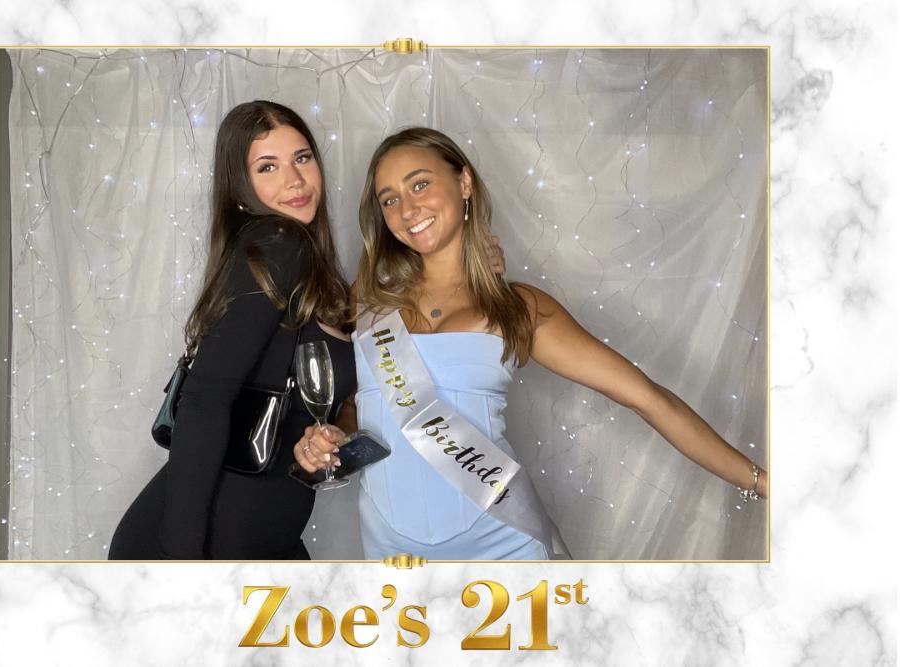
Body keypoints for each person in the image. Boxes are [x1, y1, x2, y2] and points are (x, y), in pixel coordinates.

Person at [295, 127, 768, 560]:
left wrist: (761, 482)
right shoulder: (367, 301)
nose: (407, 210)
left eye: (420, 184)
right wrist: (334, 435)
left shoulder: (518, 309)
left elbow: (648, 398)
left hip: (502, 544)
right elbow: (358, 403)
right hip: (393, 552)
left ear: (464, 182)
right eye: (389, 199)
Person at [109, 101, 355, 559]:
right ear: (240, 188)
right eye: (268, 167)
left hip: (264, 537)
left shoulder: (311, 271)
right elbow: (204, 399)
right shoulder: (278, 245)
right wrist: (182, 561)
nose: (294, 180)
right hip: (203, 544)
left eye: (302, 158)